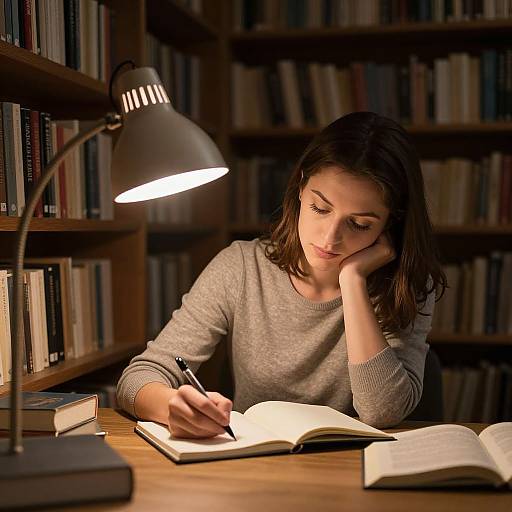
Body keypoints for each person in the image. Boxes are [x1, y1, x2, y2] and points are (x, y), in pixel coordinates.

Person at [117, 111, 447, 438]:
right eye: (320, 208)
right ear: (301, 187)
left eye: (360, 224)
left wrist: (353, 281)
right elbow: (137, 378)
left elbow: (383, 412)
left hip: (353, 471)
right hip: (257, 466)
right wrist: (173, 404)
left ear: (390, 223)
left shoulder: (407, 285)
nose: (330, 238)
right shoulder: (242, 267)